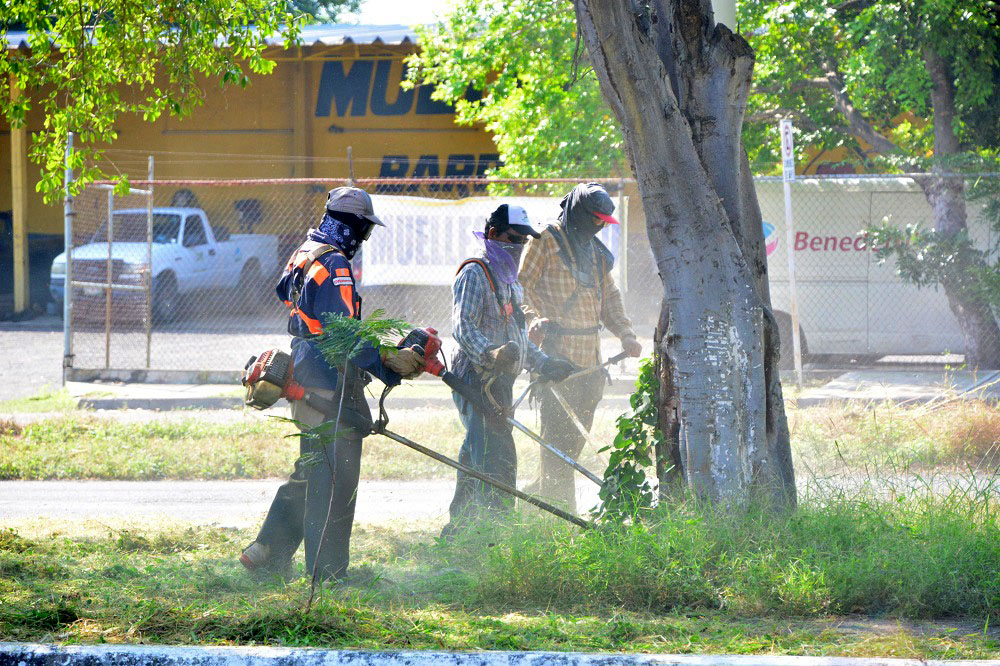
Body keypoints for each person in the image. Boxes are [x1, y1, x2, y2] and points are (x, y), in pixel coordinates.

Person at [240, 187, 424, 581]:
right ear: (351, 225)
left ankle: (266, 553)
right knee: (334, 483)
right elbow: (345, 335)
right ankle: (329, 575)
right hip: (328, 382)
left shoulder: (307, 252)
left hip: (306, 372)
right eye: (363, 229)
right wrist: (389, 366)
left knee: (311, 472)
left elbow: (287, 297)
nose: (364, 237)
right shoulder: (336, 264)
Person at [443, 204, 575, 535]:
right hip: (476, 377)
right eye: (513, 239)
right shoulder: (474, 273)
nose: (518, 248)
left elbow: (518, 336)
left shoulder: (510, 282)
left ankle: (458, 534)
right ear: (493, 235)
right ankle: (495, 537)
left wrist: (545, 362)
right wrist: (492, 351)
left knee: (476, 456)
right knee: (496, 459)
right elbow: (462, 327)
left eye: (524, 242)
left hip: (501, 381)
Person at [519, 182, 643, 513]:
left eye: (604, 221)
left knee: (570, 446)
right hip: (557, 360)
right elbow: (523, 288)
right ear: (579, 214)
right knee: (556, 444)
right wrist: (533, 320)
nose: (599, 226)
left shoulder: (595, 252)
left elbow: (611, 297)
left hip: (593, 364)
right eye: (596, 219)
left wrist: (626, 334)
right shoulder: (543, 240)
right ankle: (563, 518)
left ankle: (533, 506)